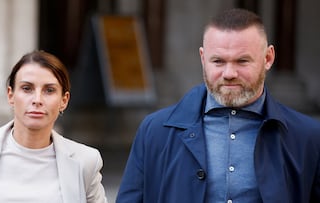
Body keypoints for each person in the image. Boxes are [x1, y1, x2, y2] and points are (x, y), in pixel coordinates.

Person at [116, 8, 320, 203]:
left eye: (242, 61)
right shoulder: (154, 131)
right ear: (203, 58)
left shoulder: (308, 137)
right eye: (218, 61)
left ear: (268, 58)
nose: (229, 73)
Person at [0, 50, 108, 203]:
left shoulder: (86, 161)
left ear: (64, 100)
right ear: (10, 95)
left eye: (49, 90)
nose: (37, 100)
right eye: (27, 88)